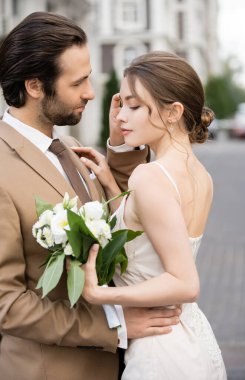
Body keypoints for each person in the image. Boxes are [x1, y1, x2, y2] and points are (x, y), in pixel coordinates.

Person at [0, 13, 181, 380]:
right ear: (35, 86)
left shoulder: (68, 146)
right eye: (78, 81)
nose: (91, 92)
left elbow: (125, 210)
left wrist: (120, 141)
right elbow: (7, 304)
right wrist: (113, 325)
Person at [77, 51, 227, 379]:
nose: (120, 118)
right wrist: (110, 185)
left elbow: (185, 283)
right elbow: (146, 241)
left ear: (173, 112)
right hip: (190, 335)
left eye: (134, 106)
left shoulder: (149, 177)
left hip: (159, 350)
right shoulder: (201, 175)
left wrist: (100, 295)